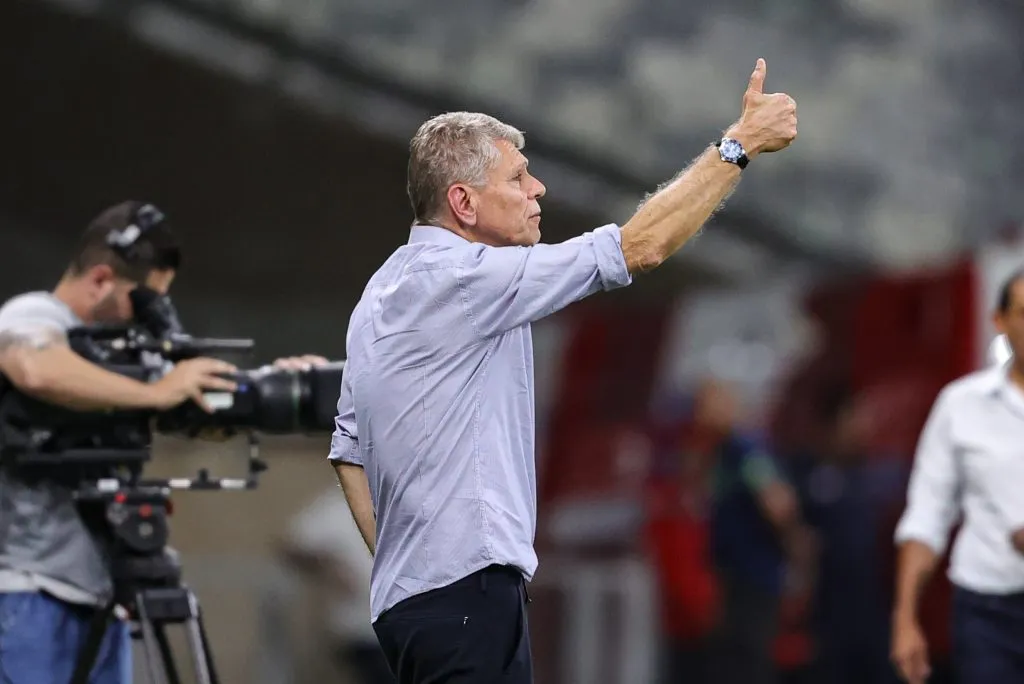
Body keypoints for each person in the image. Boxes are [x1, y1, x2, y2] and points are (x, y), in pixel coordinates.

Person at [329, 58, 798, 684]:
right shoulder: (466, 280)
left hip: (416, 601)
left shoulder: (382, 289)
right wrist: (738, 147)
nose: (539, 189)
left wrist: (409, 566)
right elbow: (640, 246)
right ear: (463, 202)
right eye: (519, 178)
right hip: (466, 596)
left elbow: (348, 454)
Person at [0, 201, 323, 684]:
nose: (150, 317)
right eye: (143, 300)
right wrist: (154, 391)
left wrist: (270, 388)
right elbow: (32, 367)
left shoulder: (122, 354)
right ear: (101, 280)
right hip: (30, 591)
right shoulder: (35, 315)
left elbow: (191, 402)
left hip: (103, 594)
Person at [891, 268, 1024, 684]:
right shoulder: (961, 405)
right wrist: (905, 617)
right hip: (988, 608)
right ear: (999, 322)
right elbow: (927, 514)